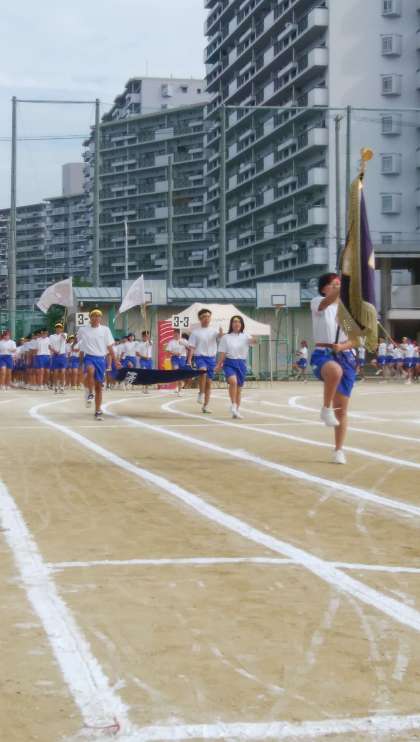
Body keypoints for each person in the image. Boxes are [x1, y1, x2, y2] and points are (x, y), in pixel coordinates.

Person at [310, 272, 357, 465]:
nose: (337, 287)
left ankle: (339, 449)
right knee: (334, 371)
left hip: (345, 357)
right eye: (333, 284)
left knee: (342, 410)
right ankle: (325, 408)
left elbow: (354, 339)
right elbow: (327, 302)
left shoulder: (344, 313)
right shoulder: (318, 303)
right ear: (324, 288)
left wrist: (343, 346)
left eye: (339, 284)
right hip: (323, 353)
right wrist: (342, 287)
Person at [77, 309, 120, 419]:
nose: (96, 318)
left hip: (101, 359)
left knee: (99, 387)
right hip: (89, 357)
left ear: (100, 318)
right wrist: (80, 363)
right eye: (94, 316)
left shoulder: (105, 330)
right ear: (90, 318)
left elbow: (109, 347)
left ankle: (98, 410)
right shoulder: (83, 330)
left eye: (98, 316)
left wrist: (115, 360)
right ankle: (90, 393)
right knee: (90, 370)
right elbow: (80, 344)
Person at [215, 315, 256, 418]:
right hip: (229, 362)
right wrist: (219, 365)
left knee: (239, 389)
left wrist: (254, 339)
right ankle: (233, 404)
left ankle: (236, 411)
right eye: (234, 322)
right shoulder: (226, 337)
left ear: (241, 324)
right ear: (231, 324)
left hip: (241, 363)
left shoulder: (246, 336)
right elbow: (222, 353)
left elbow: (254, 342)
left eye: (238, 322)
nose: (236, 323)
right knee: (233, 382)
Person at [187, 308, 223, 414]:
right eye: (204, 317)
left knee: (209, 383)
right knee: (203, 371)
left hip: (211, 358)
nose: (206, 318)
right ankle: (201, 393)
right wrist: (189, 360)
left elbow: (220, 338)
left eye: (208, 316)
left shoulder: (214, 331)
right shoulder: (195, 332)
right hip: (200, 357)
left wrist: (221, 334)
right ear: (200, 319)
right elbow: (192, 347)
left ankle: (205, 406)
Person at [166, 328, 188, 394]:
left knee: (180, 373)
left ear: (180, 334)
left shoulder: (184, 341)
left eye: (177, 333)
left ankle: (179, 388)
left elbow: (189, 348)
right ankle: (177, 386)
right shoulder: (171, 342)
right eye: (175, 333)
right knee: (176, 371)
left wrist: (184, 344)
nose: (176, 335)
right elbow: (168, 351)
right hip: (174, 358)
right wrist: (174, 353)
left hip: (182, 358)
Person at [49, 323, 67, 393]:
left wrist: (62, 334)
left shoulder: (64, 334)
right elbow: (49, 346)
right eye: (57, 328)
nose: (58, 329)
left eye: (60, 328)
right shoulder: (51, 336)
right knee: (56, 372)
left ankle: (62, 387)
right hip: (55, 355)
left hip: (62, 355)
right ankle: (56, 386)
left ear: (62, 329)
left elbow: (64, 337)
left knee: (62, 372)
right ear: (55, 329)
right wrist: (55, 351)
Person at [136, 330, 154, 394]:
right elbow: (137, 353)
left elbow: (150, 343)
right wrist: (144, 357)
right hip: (143, 360)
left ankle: (146, 388)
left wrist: (148, 339)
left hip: (149, 360)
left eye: (147, 336)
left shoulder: (150, 342)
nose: (146, 337)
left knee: (148, 374)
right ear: (142, 336)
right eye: (145, 336)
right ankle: (143, 386)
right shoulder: (139, 344)